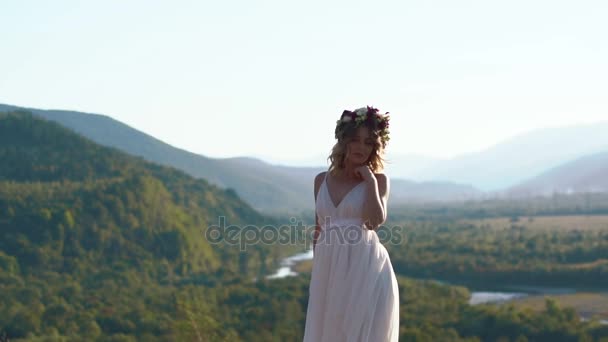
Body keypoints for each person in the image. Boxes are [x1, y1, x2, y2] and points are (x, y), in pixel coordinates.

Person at [303, 106, 399, 341]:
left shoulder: (378, 181)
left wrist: (369, 180)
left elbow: (373, 221)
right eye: (355, 140)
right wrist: (319, 274)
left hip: (365, 268)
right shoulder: (320, 181)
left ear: (375, 147)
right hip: (329, 269)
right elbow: (319, 230)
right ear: (344, 141)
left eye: (368, 142)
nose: (361, 147)